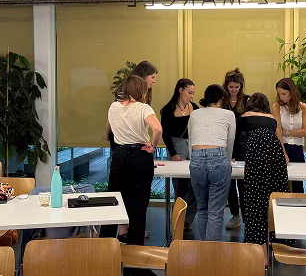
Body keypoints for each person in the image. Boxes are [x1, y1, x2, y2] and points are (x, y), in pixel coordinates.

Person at [99, 75, 163, 246]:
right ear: (140, 90)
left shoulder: (113, 106)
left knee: (113, 201)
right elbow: (157, 128)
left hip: (119, 156)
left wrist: (107, 134)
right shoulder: (144, 108)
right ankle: (135, 251)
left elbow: (109, 126)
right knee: (138, 207)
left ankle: (104, 248)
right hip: (140, 156)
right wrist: (152, 145)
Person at [238, 93, 288, 266]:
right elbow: (278, 136)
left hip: (257, 157)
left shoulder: (244, 117)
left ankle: (260, 254)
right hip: (275, 156)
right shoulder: (271, 118)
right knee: (275, 199)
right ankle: (279, 247)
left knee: (255, 201)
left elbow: (237, 140)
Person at [187, 84, 236, 241]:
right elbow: (230, 142)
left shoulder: (194, 114)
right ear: (221, 100)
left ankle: (204, 253)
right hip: (218, 157)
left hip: (196, 158)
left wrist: (194, 159)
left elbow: (190, 141)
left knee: (202, 209)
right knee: (215, 211)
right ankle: (211, 256)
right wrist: (227, 162)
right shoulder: (228, 114)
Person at [160, 78, 199, 231]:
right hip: (177, 147)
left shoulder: (194, 108)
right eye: (189, 92)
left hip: (193, 146)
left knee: (197, 184)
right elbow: (165, 134)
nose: (191, 96)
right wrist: (173, 153)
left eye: (193, 93)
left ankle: (186, 217)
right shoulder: (168, 109)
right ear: (180, 90)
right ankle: (179, 219)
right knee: (180, 186)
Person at [273, 78, 306, 193]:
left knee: (298, 184)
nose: (282, 97)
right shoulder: (276, 106)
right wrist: (283, 151)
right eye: (279, 94)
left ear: (291, 92)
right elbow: (277, 130)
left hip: (297, 147)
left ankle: (299, 208)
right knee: (280, 183)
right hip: (282, 146)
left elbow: (305, 131)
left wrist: (285, 132)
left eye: (284, 94)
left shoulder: (303, 107)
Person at [222, 68, 248, 230]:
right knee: (230, 183)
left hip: (243, 144)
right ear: (226, 86)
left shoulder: (246, 100)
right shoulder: (222, 100)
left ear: (241, 86)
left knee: (244, 182)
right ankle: (234, 215)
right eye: (231, 87)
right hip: (226, 142)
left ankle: (247, 216)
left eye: (236, 87)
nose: (233, 90)